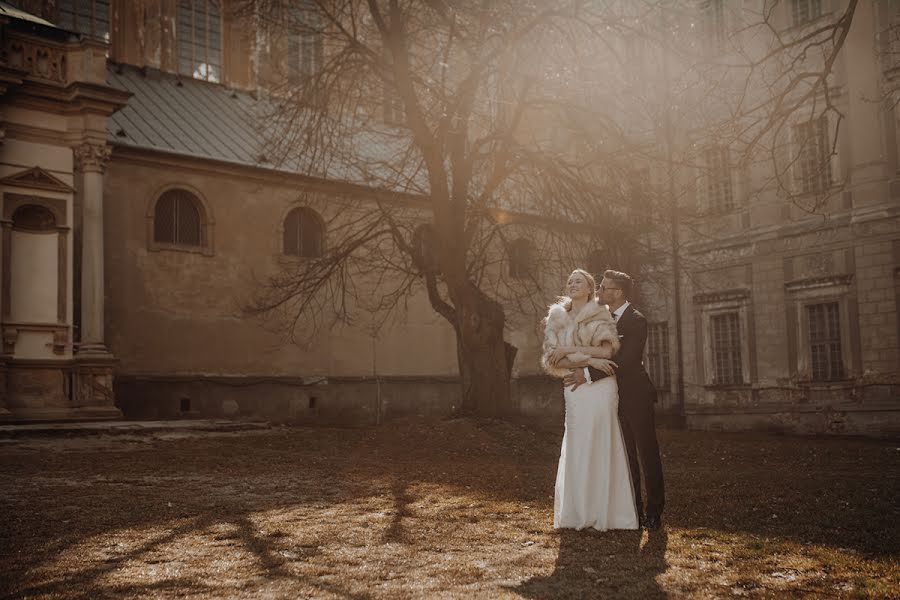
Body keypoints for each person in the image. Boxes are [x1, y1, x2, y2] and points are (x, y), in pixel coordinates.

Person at [564, 269, 665, 531]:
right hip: (609, 397)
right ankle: (633, 511)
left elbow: (626, 361)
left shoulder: (635, 320)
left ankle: (654, 512)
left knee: (647, 454)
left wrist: (586, 373)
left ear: (618, 292)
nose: (599, 292)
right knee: (624, 455)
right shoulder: (601, 317)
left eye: (604, 288)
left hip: (635, 395)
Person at [542, 269, 638, 531]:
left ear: (589, 288)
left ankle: (609, 514)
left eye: (579, 281)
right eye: (570, 280)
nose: (573, 284)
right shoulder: (557, 317)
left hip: (601, 389)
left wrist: (571, 349)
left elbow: (607, 351)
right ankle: (577, 513)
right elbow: (554, 359)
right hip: (574, 389)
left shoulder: (600, 313)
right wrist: (591, 360)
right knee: (577, 444)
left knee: (602, 441)